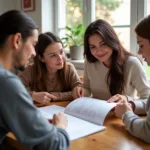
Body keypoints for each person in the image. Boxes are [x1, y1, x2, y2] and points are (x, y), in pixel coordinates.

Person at [0, 10, 70, 149]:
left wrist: (29, 119)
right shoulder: (6, 83)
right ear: (17, 40)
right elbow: (55, 146)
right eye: (33, 44)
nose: (33, 53)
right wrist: (61, 126)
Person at [75, 19, 150, 115]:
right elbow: (86, 88)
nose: (98, 51)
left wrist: (129, 103)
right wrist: (81, 91)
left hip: (120, 119)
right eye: (93, 47)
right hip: (96, 115)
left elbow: (147, 99)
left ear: (112, 40)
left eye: (103, 44)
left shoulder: (132, 63)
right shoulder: (90, 62)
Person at [19, 32, 82, 104]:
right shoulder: (31, 70)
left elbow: (79, 91)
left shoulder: (69, 68)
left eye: (61, 52)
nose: (60, 58)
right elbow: (12, 90)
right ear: (41, 58)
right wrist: (33, 96)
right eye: (53, 55)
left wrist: (56, 96)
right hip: (40, 111)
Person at [115, 15, 150, 143]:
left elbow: (148, 132)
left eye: (141, 45)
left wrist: (126, 115)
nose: (139, 52)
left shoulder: (131, 63)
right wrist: (131, 104)